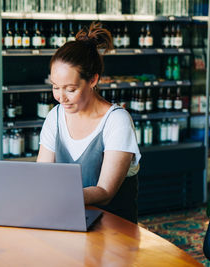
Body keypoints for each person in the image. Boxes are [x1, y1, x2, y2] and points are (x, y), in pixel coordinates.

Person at [37, 22, 141, 223]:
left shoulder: (117, 121)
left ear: (93, 80)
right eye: (55, 87)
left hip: (114, 231)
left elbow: (105, 191)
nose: (61, 97)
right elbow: (44, 175)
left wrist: (63, 197)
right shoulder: (55, 117)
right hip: (67, 221)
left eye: (70, 89)